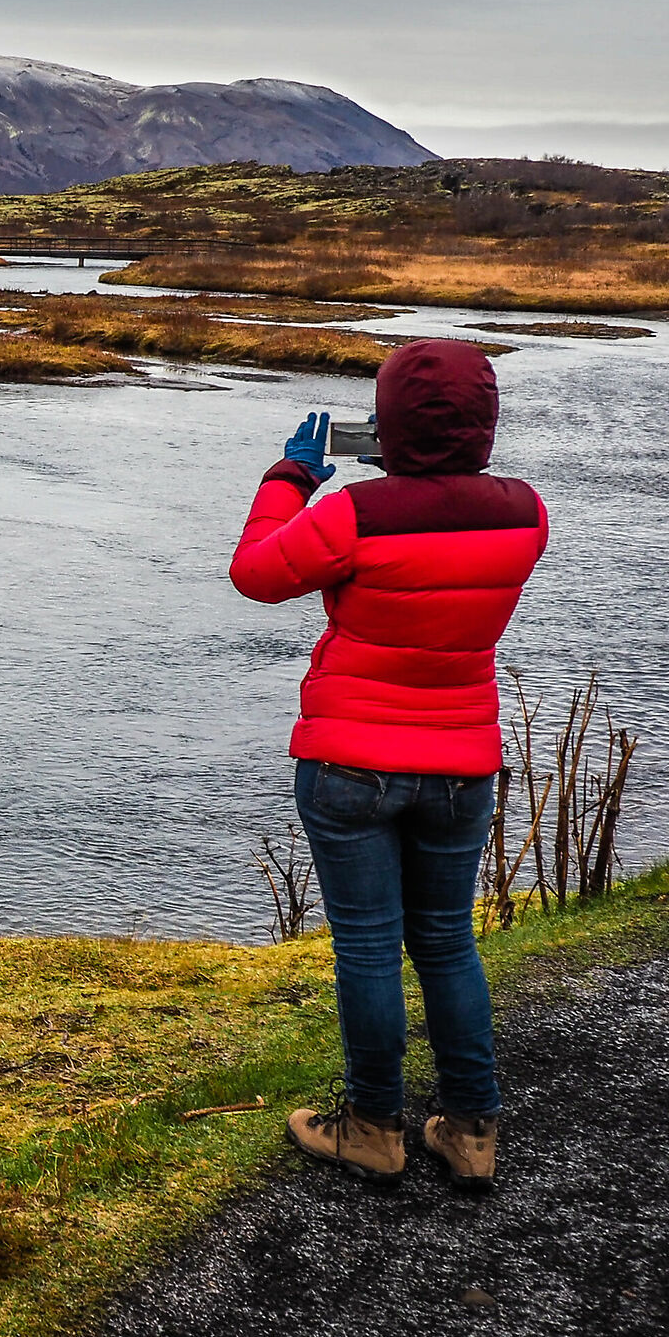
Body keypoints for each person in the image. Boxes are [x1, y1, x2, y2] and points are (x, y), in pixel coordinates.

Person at [228, 339, 547, 1192]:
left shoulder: (356, 513)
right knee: (445, 940)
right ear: (485, 421)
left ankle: (373, 1126)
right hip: (461, 764)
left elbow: (255, 574)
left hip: (352, 761)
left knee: (367, 946)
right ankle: (471, 1129)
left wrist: (289, 480)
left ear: (389, 424)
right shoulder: (526, 513)